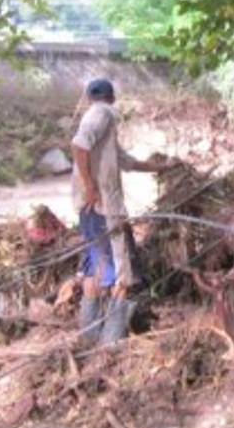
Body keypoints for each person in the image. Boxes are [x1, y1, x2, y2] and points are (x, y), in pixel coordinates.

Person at [71, 77, 167, 345]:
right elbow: (79, 145)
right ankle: (109, 346)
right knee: (121, 272)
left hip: (90, 208)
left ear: (90, 97)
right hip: (102, 207)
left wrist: (158, 168)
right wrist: (91, 186)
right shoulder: (103, 114)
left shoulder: (96, 118)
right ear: (112, 98)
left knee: (95, 269)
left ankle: (87, 339)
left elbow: (124, 160)